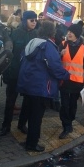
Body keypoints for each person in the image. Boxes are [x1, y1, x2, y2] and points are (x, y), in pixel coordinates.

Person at [17, 20, 71, 151]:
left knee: (30, 112)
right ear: (52, 32)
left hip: (27, 83)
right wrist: (66, 75)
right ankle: (32, 144)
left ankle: (28, 138)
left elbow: (25, 58)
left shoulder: (32, 42)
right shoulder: (48, 46)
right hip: (40, 87)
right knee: (36, 117)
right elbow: (54, 66)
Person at [0, 10, 38, 136]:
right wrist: (6, 73)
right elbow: (8, 54)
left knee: (27, 102)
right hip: (15, 73)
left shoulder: (36, 35)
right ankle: (6, 126)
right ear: (25, 20)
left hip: (28, 74)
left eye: (36, 20)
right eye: (32, 20)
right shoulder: (15, 34)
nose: (34, 22)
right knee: (10, 101)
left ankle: (21, 124)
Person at [58, 24, 84, 139]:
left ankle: (70, 122)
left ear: (77, 34)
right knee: (64, 105)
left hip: (77, 82)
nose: (69, 34)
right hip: (64, 81)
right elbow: (55, 62)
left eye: (71, 32)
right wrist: (59, 54)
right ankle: (66, 126)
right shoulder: (63, 45)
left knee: (72, 105)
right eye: (68, 31)